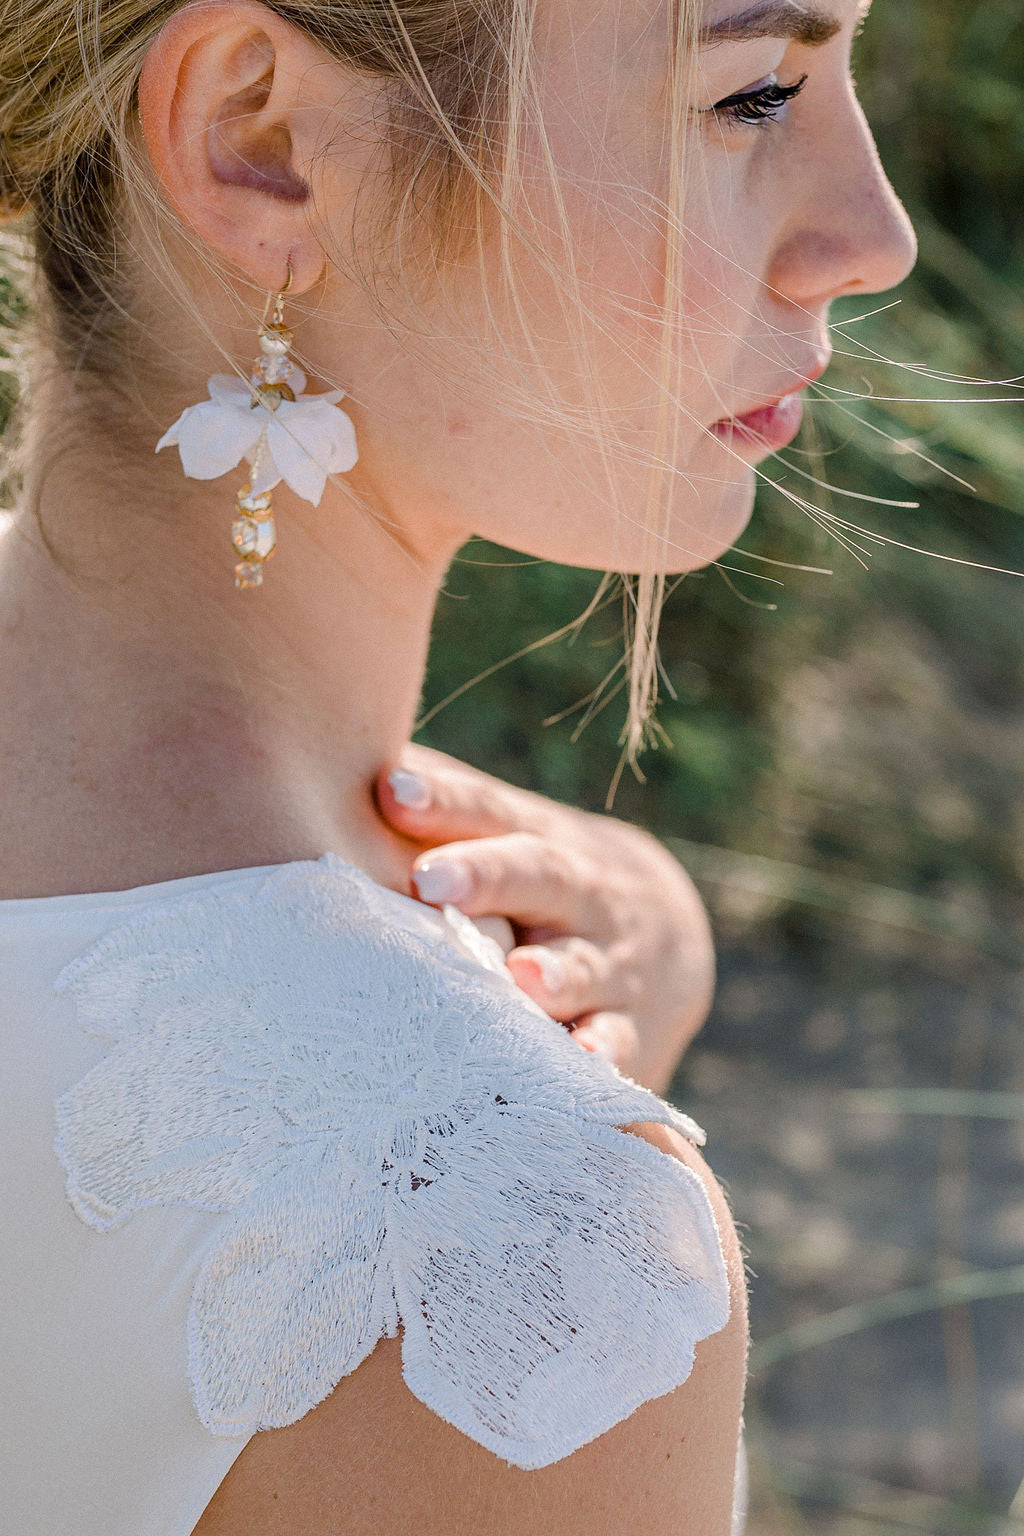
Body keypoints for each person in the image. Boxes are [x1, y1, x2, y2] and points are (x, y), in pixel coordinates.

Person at [0, 0, 916, 1529]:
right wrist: (530, 1130)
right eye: (754, 96)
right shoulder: (521, 1269)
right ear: (266, 146)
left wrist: (604, 999)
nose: (872, 231)